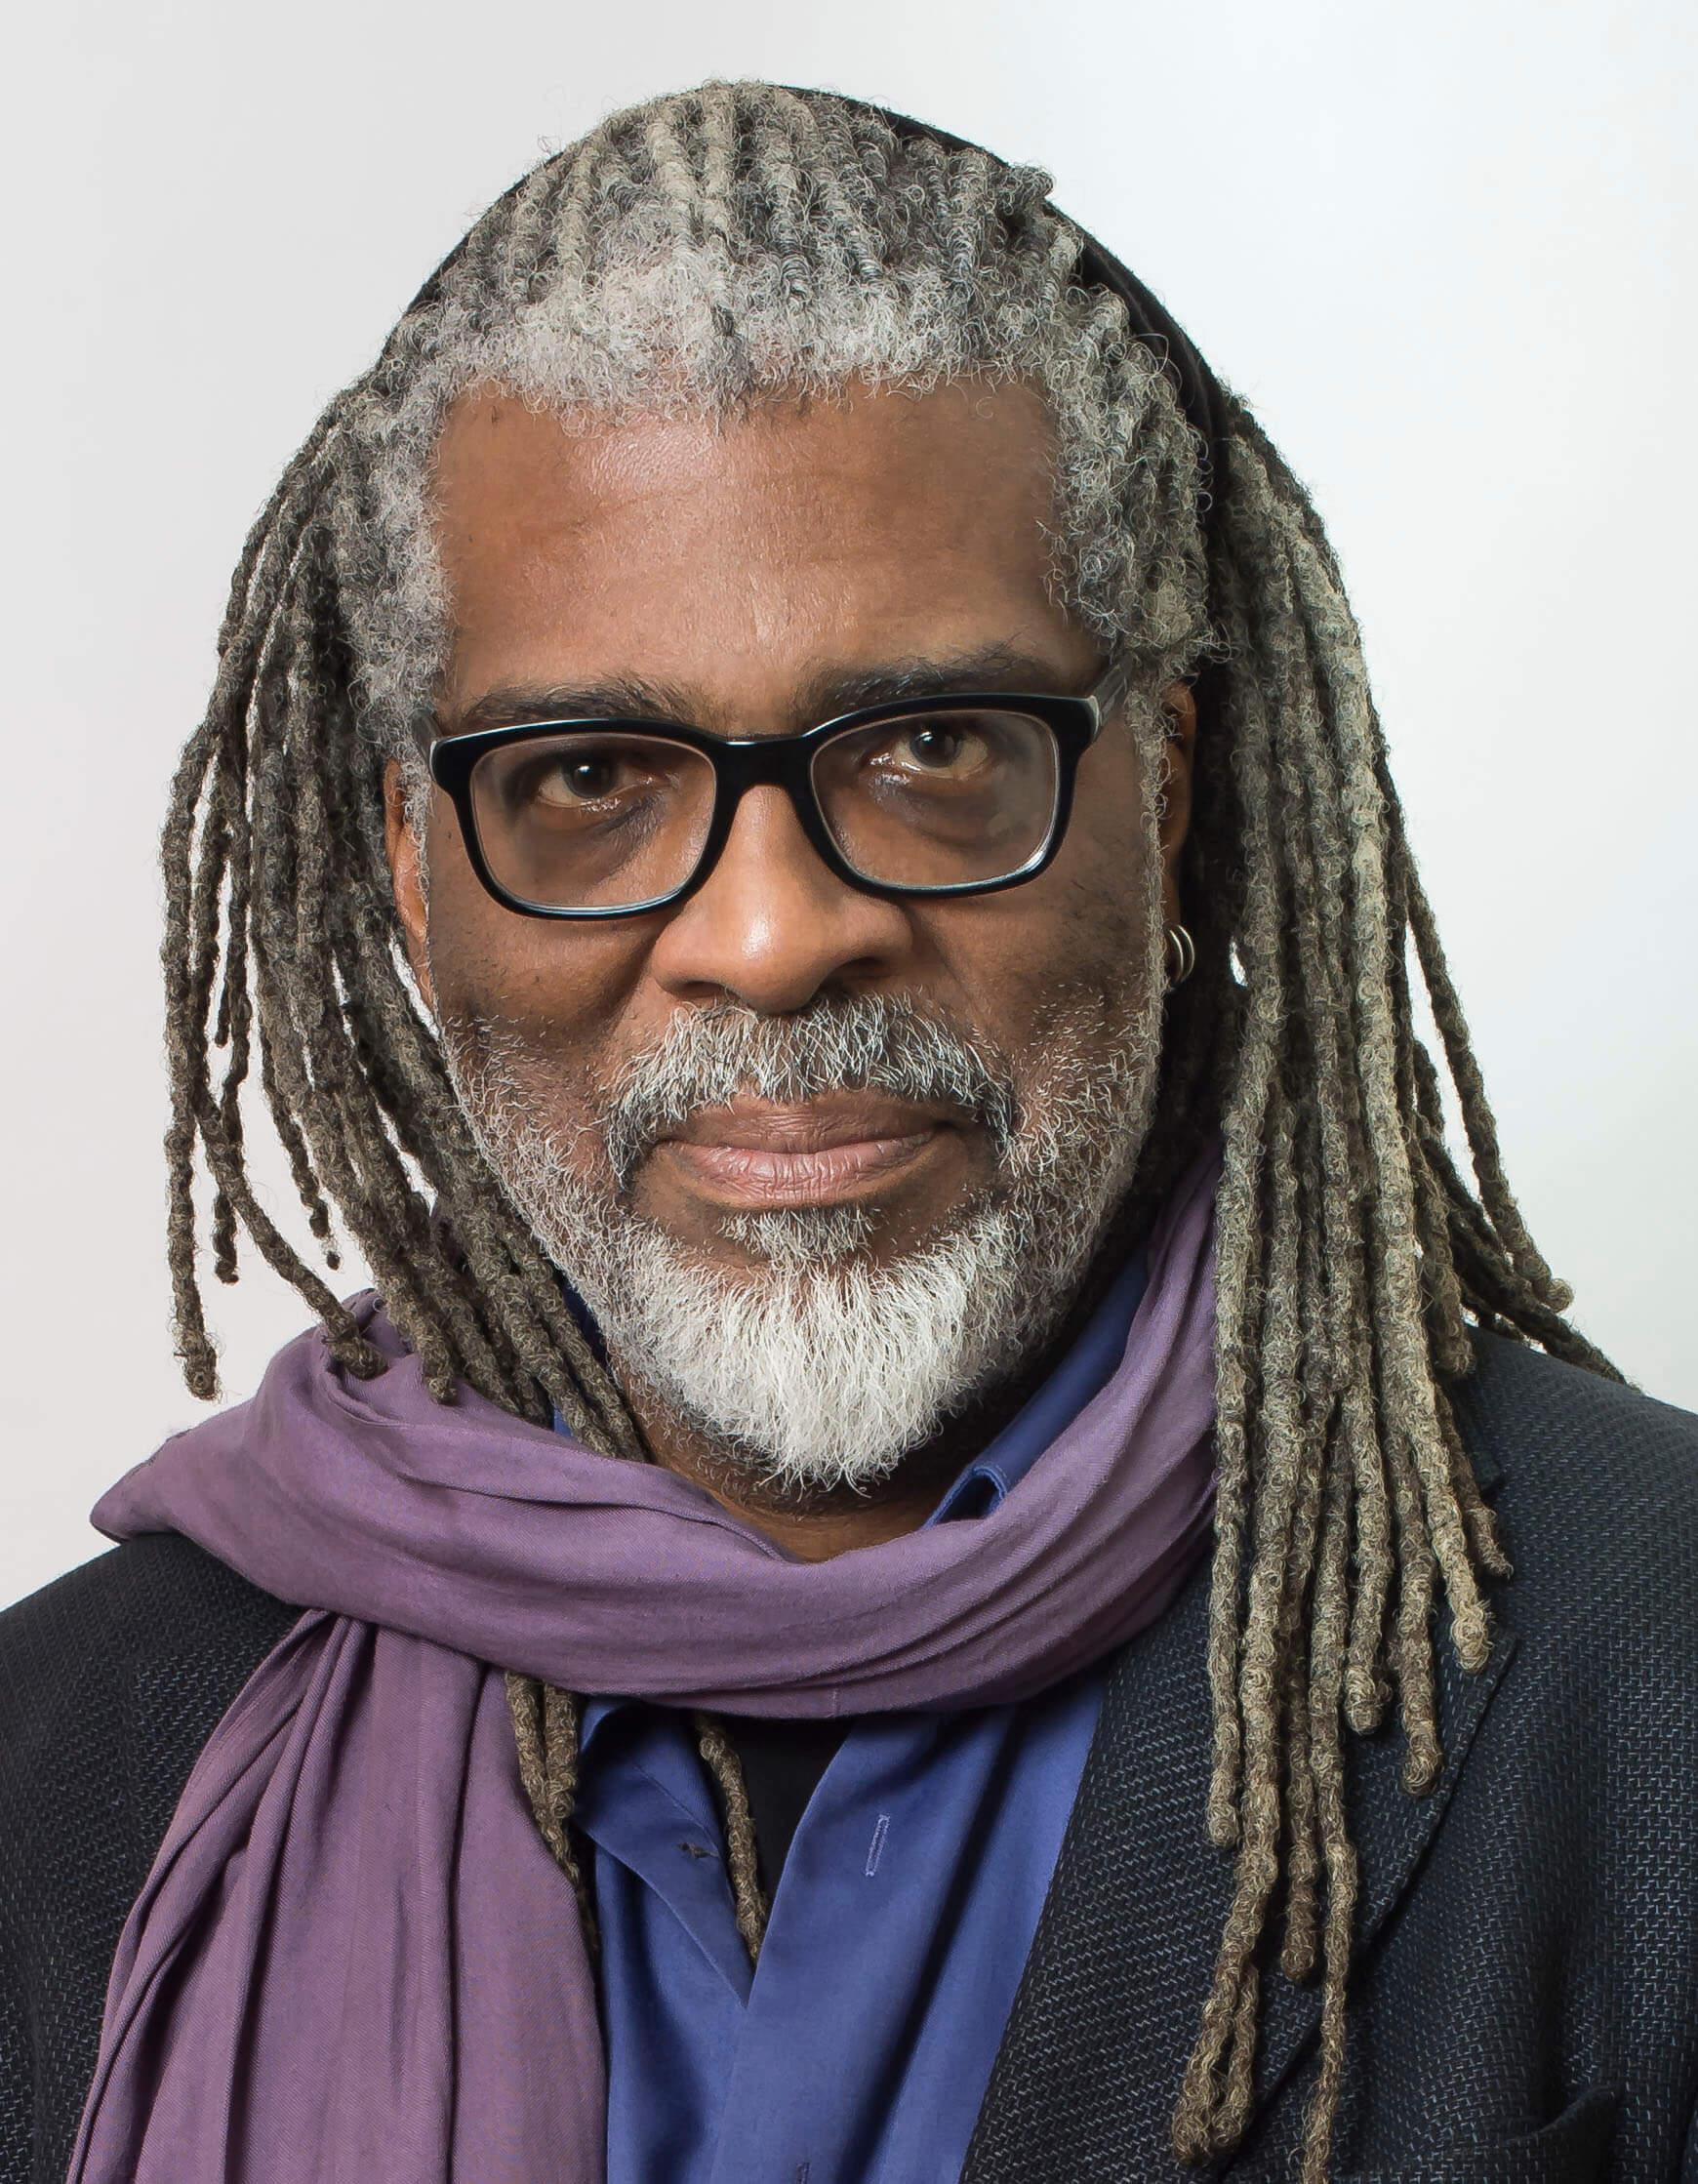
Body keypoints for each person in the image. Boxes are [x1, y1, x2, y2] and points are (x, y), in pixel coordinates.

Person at [2, 78, 1694, 2184]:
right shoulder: (51, 1774)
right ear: (416, 878)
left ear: (1165, 793)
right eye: (590, 778)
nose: (775, 935)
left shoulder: (1655, 1665)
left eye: (932, 746)